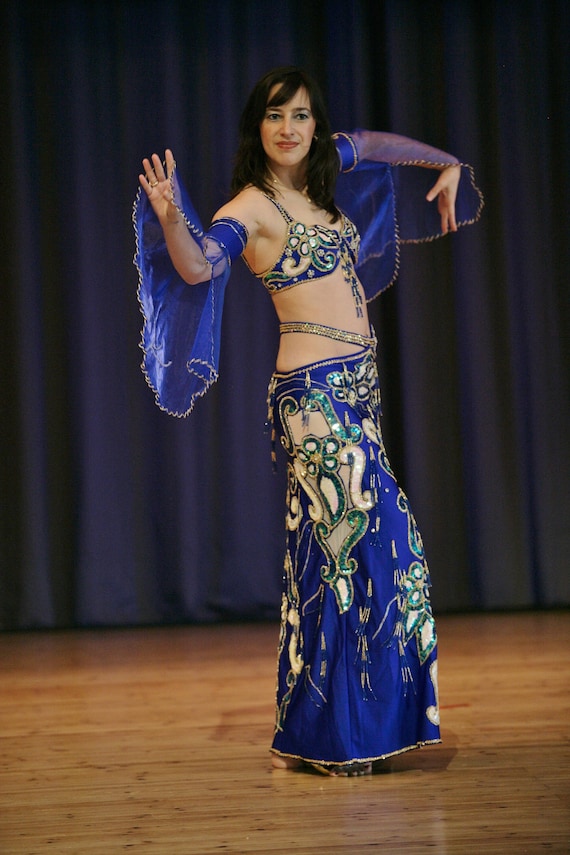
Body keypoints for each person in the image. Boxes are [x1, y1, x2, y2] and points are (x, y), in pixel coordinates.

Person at [134, 66, 483, 776]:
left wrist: (446, 164)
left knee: (338, 557)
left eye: (301, 115)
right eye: (274, 115)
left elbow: (379, 143)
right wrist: (173, 214)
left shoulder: (320, 188)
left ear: (315, 126)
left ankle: (329, 730)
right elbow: (201, 266)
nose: (289, 127)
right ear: (256, 127)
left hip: (358, 391)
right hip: (314, 397)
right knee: (372, 542)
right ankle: (337, 733)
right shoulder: (252, 207)